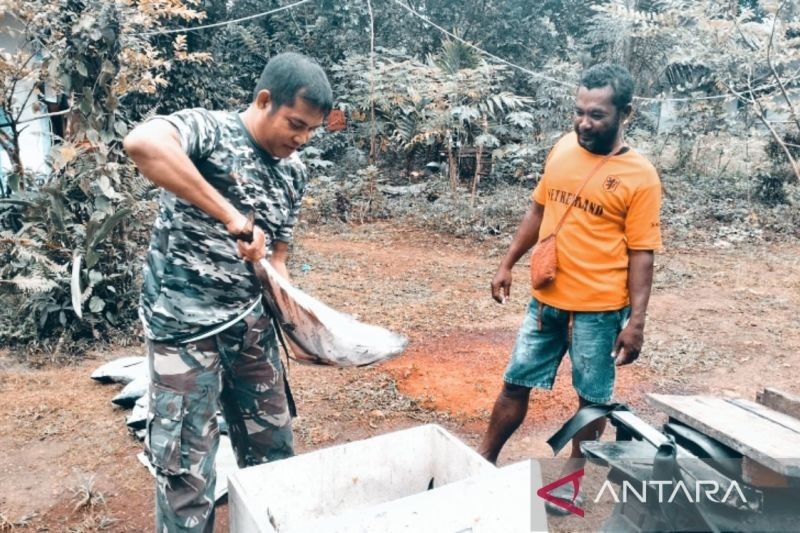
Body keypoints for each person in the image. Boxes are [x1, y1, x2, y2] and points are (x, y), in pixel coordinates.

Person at [123, 52, 332, 532]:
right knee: (186, 474)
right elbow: (142, 143)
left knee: (275, 454)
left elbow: (277, 256)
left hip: (250, 327)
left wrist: (296, 316)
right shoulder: (209, 130)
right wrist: (232, 217)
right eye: (295, 124)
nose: (301, 139)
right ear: (264, 101)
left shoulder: (294, 171)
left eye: (311, 131)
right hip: (182, 331)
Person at [478, 63, 662, 511]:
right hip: (544, 302)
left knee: (591, 401)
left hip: (599, 313)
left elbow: (642, 254)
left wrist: (636, 323)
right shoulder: (562, 148)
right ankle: (482, 459)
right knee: (514, 383)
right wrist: (506, 264)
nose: (583, 122)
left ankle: (568, 483)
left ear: (625, 114)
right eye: (579, 111)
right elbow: (537, 211)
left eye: (597, 114)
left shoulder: (640, 177)